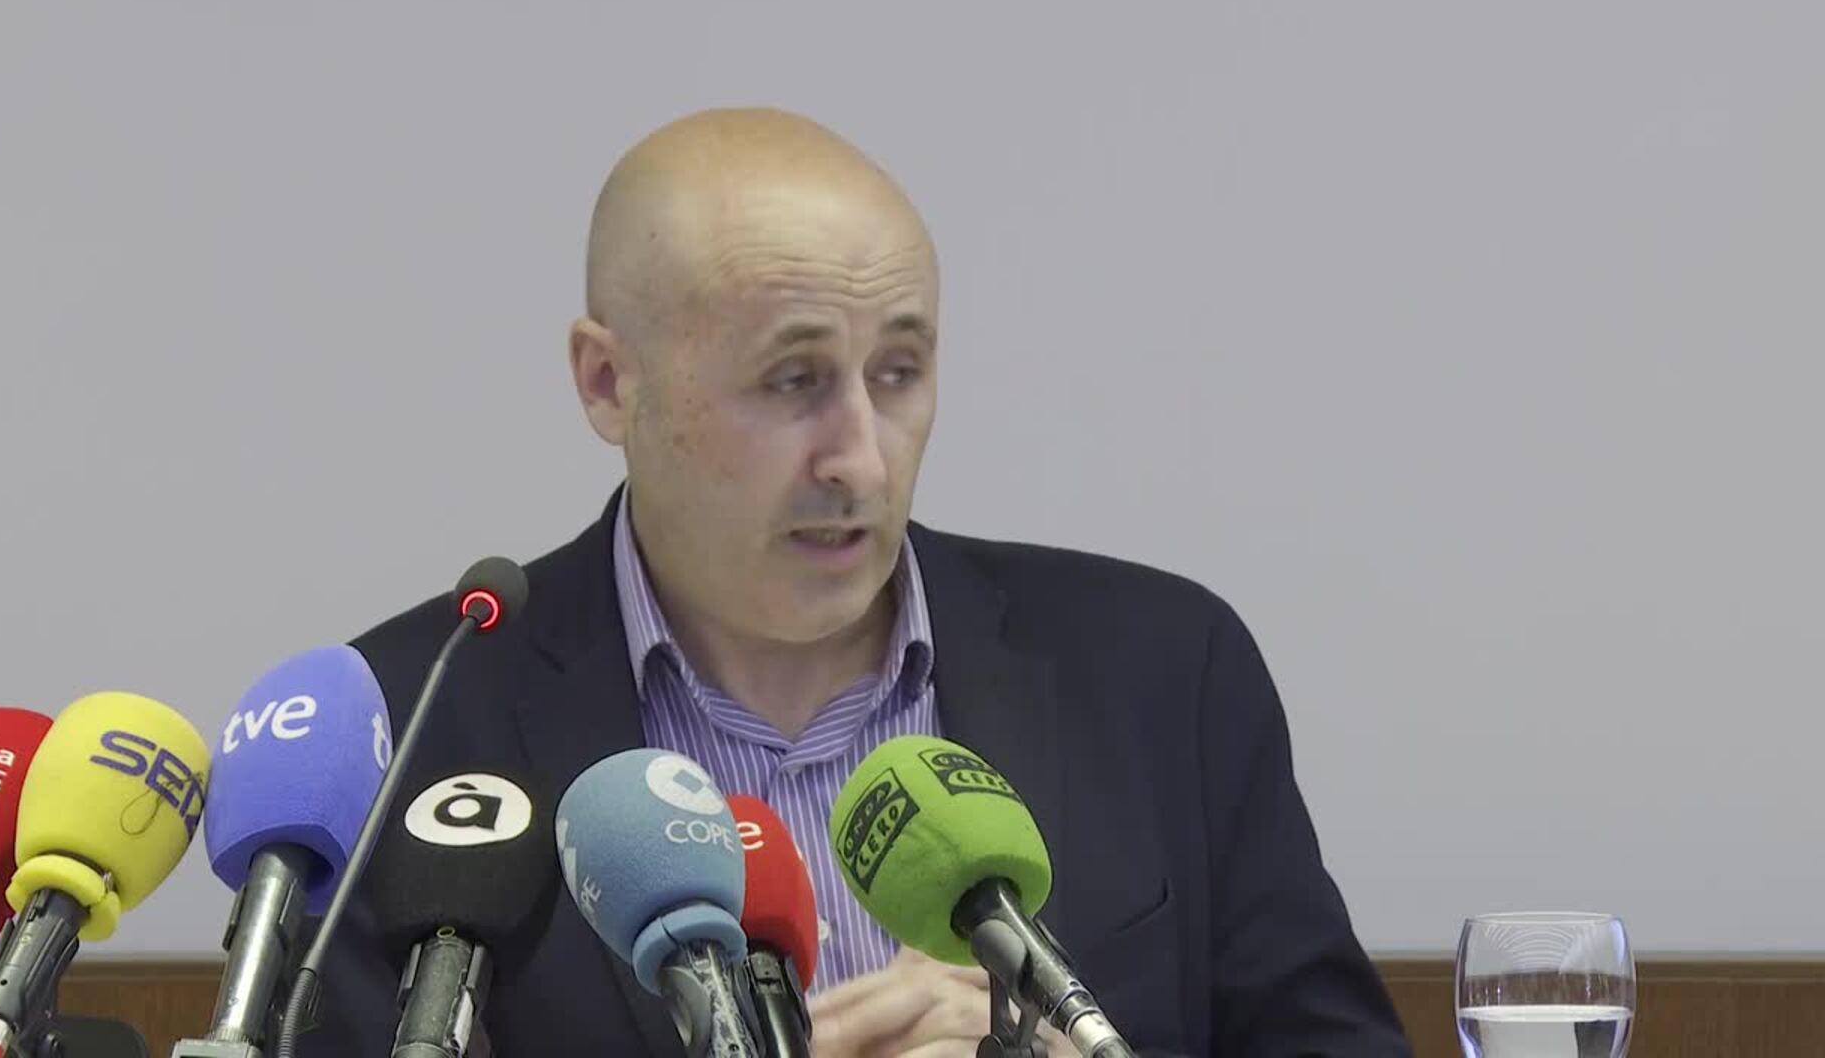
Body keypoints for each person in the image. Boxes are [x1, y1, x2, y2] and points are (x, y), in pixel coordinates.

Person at [305, 108, 1413, 1057]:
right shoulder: (403, 732)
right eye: (794, 380)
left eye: (899, 373)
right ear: (608, 383)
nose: (863, 460)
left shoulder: (1163, 671)